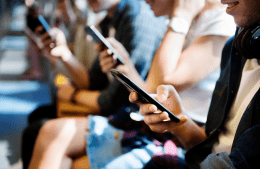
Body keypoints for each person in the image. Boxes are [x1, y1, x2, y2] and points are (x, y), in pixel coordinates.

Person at [25, 0, 167, 168]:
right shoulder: (110, 19)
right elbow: (93, 81)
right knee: (42, 127)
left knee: (44, 131)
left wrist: (72, 94)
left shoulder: (139, 17)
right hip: (122, 116)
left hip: (134, 123)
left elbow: (112, 102)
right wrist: (64, 54)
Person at [129, 0, 260, 168]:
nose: (223, 1)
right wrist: (178, 122)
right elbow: (211, 147)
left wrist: (180, 18)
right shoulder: (236, 47)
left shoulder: (219, 25)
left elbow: (160, 81)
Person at [97, 0, 236, 124]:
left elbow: (161, 84)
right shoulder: (182, 21)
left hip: (185, 136)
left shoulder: (221, 21)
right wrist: (124, 66)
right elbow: (153, 93)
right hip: (160, 129)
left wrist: (181, 17)